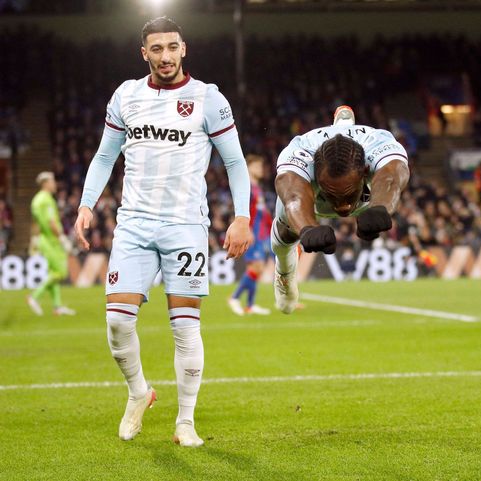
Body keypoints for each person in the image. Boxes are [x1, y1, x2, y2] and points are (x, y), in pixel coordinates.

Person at [74, 17, 252, 447]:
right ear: (144, 53)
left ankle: (185, 421)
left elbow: (235, 162)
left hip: (186, 226)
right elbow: (103, 157)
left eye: (173, 47)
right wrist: (85, 203)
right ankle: (139, 392)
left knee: (185, 328)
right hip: (133, 224)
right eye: (157, 49)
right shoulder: (127, 95)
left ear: (184, 49)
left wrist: (243, 215)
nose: (166, 56)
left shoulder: (208, 99)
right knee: (117, 323)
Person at [271, 106, 410, 314]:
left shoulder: (379, 143)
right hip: (313, 197)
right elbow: (292, 196)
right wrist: (307, 228)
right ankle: (284, 272)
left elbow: (393, 176)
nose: (342, 206)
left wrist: (380, 209)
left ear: (364, 171)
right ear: (315, 176)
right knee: (286, 231)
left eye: (347, 194)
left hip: (362, 188)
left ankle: (343, 124)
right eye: (333, 194)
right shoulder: (300, 153)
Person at [228, 154, 272, 316]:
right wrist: (247, 230)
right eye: (257, 166)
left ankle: (250, 305)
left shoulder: (256, 188)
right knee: (256, 267)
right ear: (248, 167)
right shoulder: (246, 188)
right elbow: (243, 212)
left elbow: (262, 212)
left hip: (260, 233)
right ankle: (234, 297)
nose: (260, 169)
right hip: (252, 232)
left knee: (257, 269)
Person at [27, 172, 76, 316]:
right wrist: (62, 238)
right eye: (52, 181)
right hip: (52, 241)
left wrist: (34, 240)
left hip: (43, 239)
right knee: (60, 273)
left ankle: (57, 306)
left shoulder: (36, 200)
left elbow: (35, 222)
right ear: (45, 183)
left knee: (53, 272)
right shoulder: (46, 200)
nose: (54, 184)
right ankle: (34, 296)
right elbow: (51, 222)